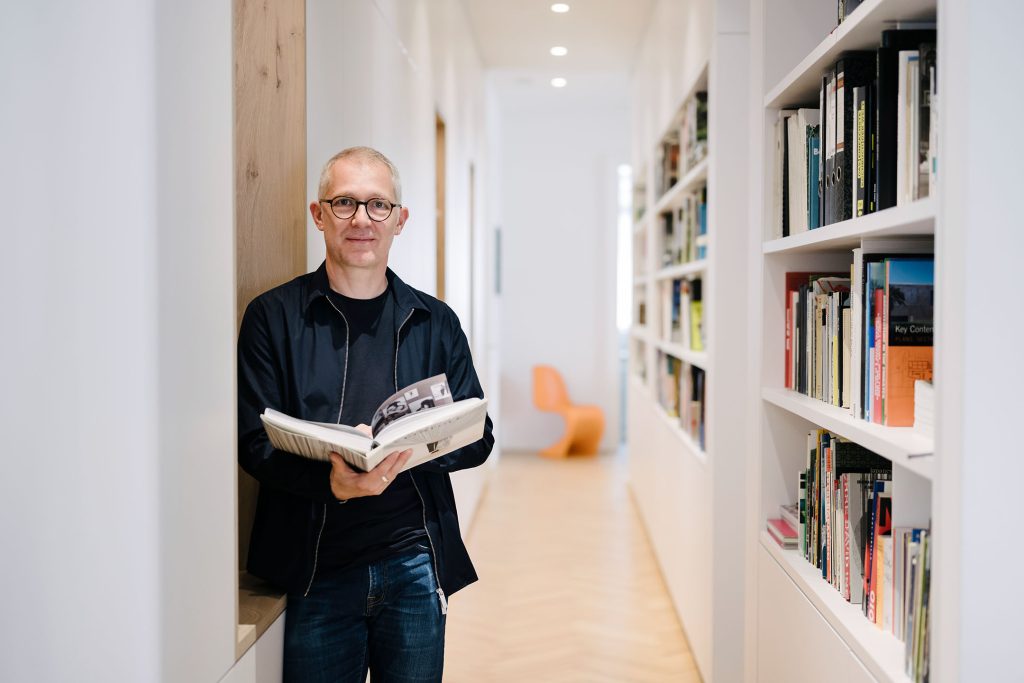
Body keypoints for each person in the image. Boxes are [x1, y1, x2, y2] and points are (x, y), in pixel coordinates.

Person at [237, 146, 494, 682]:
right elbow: (252, 442)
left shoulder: (436, 322)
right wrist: (332, 482)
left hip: (414, 565)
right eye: (345, 203)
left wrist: (409, 451)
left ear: (400, 220)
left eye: (378, 205)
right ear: (319, 215)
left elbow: (479, 436)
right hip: (316, 569)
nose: (361, 220)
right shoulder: (272, 317)